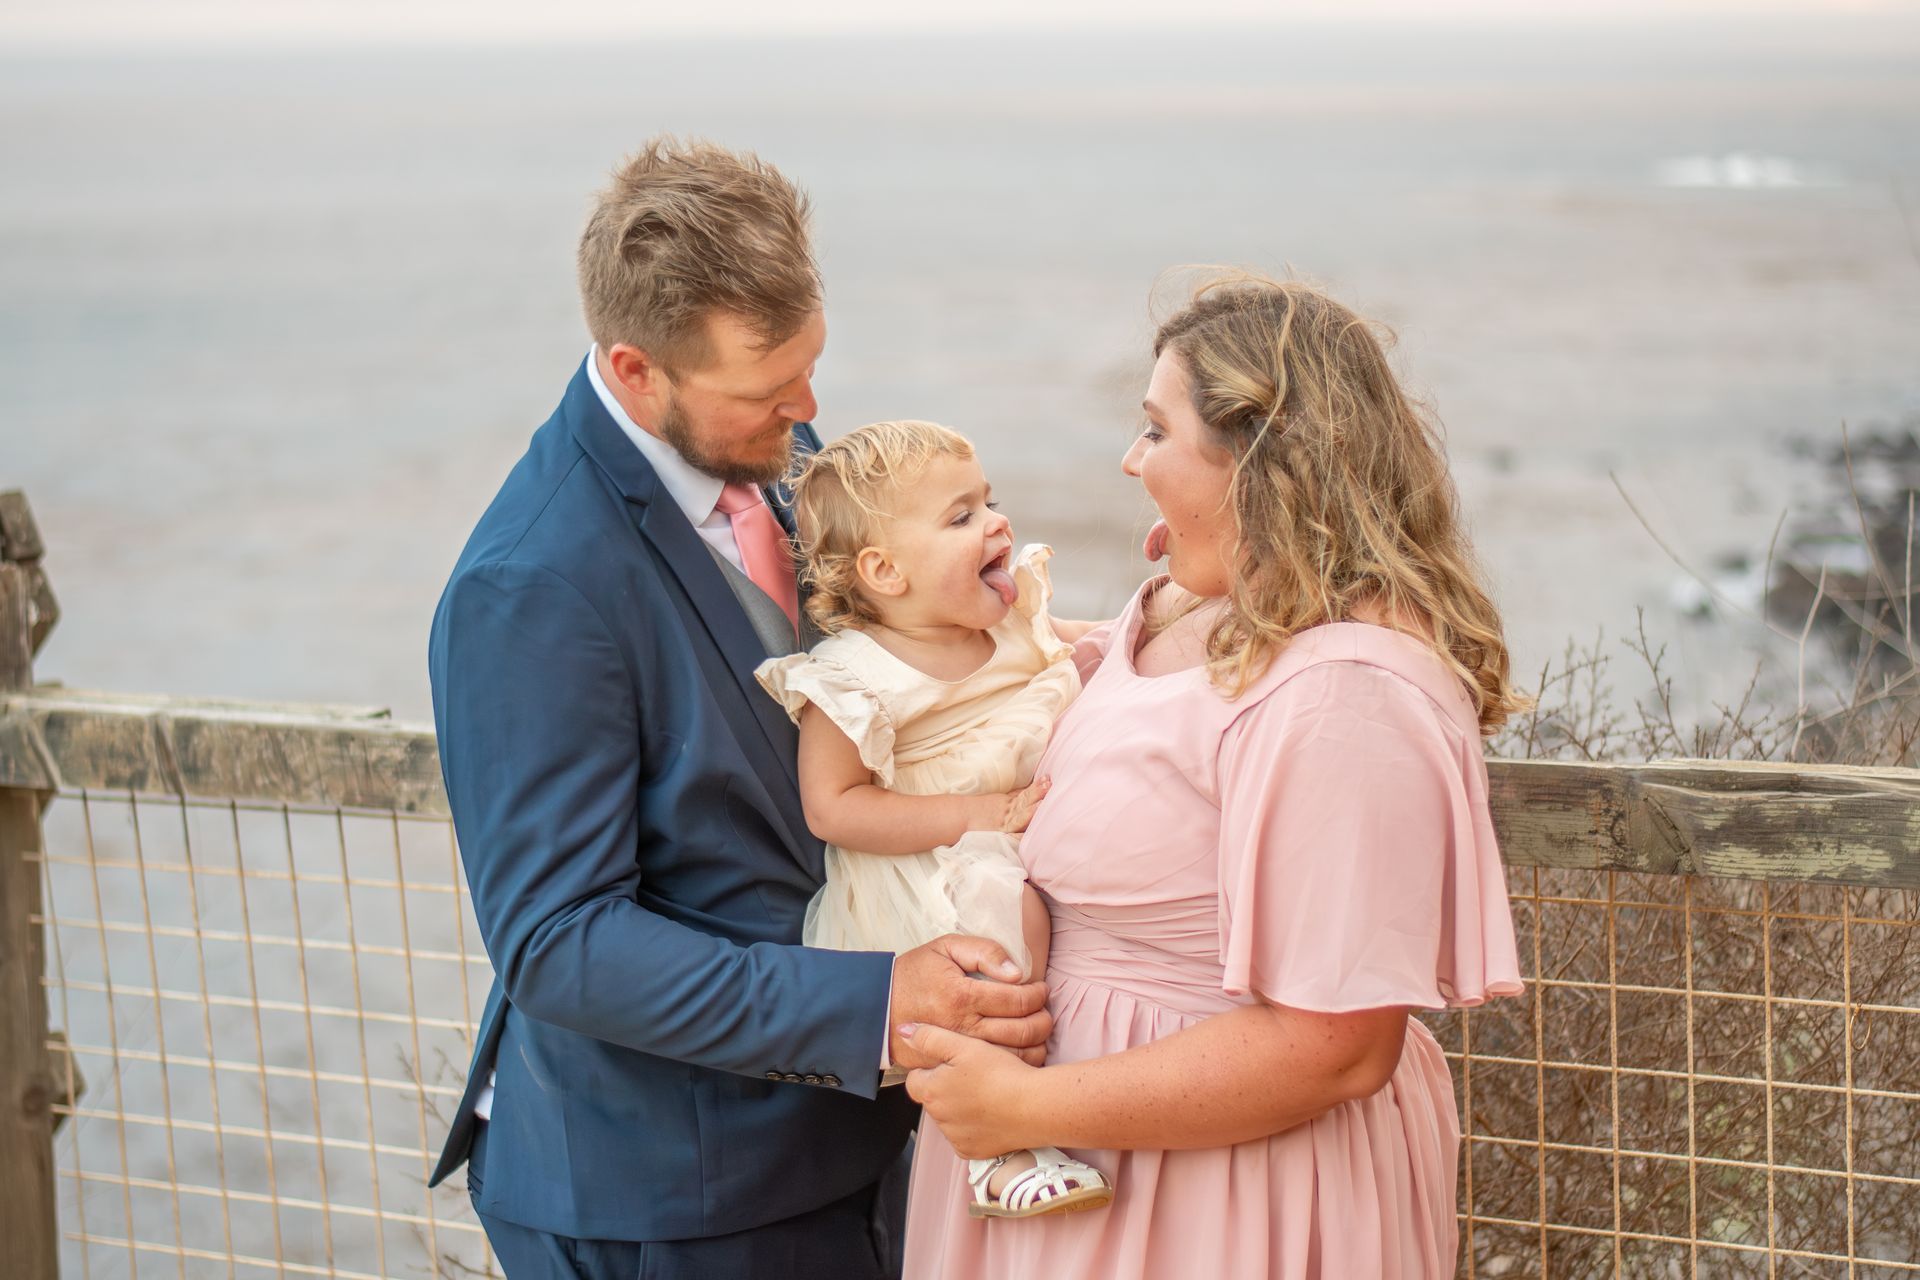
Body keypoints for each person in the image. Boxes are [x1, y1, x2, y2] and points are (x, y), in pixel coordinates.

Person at [424, 138, 1050, 1280]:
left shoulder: (778, 448)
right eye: (768, 390)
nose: (809, 411)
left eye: (810, 367)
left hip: (853, 1154)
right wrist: (876, 998)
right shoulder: (530, 585)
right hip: (664, 1201)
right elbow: (558, 942)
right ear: (634, 368)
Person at [901, 274, 1529, 1279]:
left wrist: (1025, 1106)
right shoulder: (1198, 611)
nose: (1130, 459)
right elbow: (1086, 695)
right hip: (1087, 1173)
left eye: (1157, 430)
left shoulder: (1347, 697)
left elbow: (1337, 1043)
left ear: (1258, 460)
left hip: (1222, 1197)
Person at [756, 420, 1114, 1220]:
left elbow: (1099, 646)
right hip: (920, 883)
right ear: (884, 571)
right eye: (960, 518)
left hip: (1007, 850)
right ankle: (993, 1147)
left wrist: (1179, 626)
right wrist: (978, 813)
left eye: (990, 502)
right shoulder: (854, 679)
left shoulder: (1011, 627)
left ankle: (1061, 1099)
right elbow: (833, 807)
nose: (997, 525)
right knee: (997, 929)